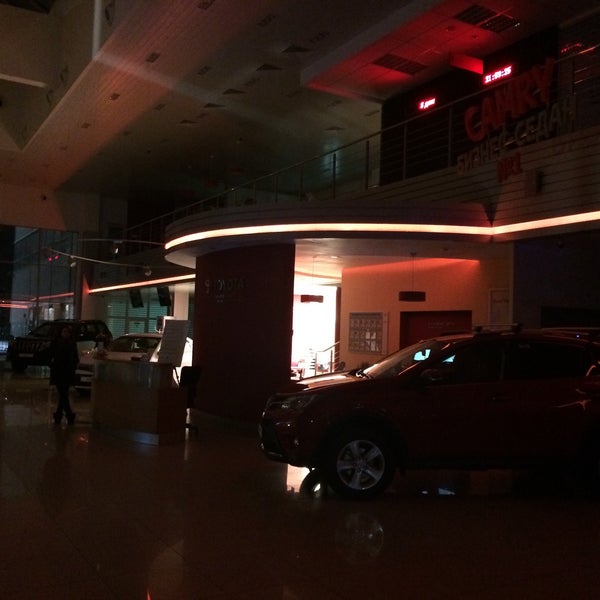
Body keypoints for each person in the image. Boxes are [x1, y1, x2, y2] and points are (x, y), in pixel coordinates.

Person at [50, 325, 79, 425]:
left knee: (63, 394)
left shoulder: (68, 343)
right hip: (62, 371)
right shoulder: (62, 343)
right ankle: (67, 415)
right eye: (64, 332)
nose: (65, 334)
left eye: (67, 332)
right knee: (63, 394)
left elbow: (75, 357)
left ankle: (60, 415)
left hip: (64, 372)